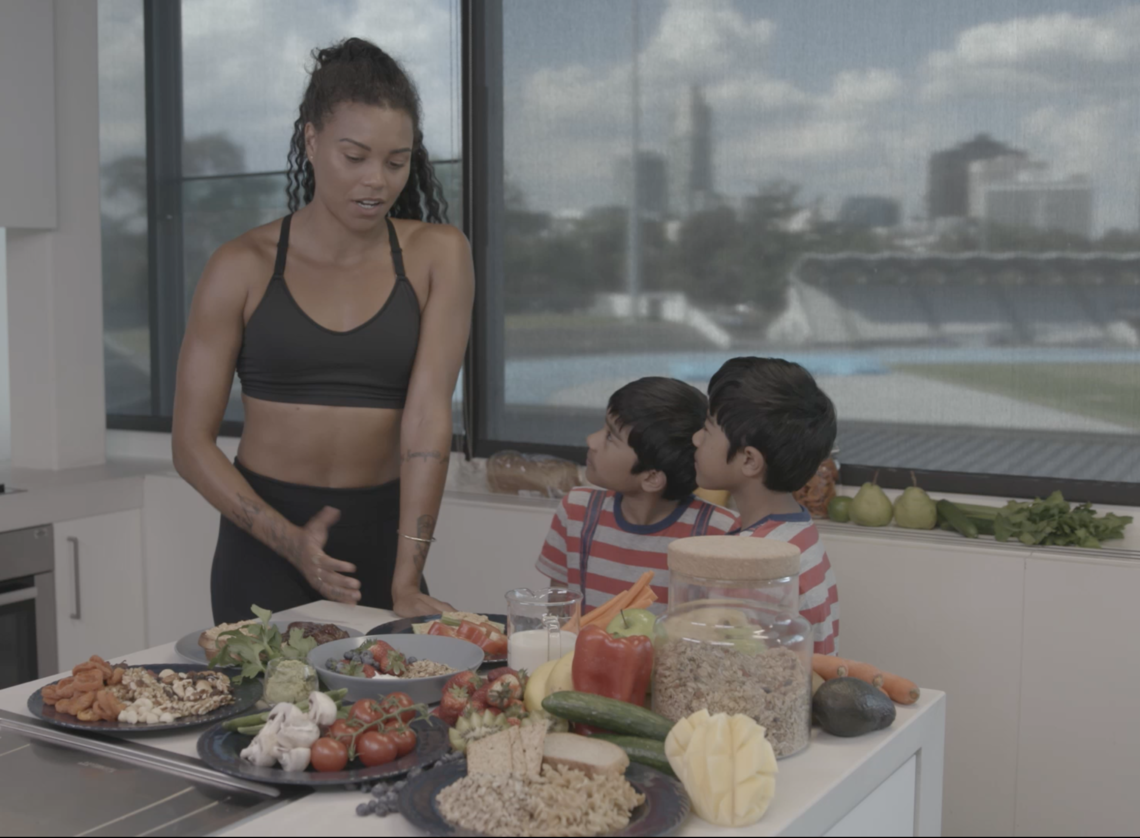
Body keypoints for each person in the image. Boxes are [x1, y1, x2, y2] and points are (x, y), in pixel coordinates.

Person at [172, 38, 472, 623]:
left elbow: (428, 419)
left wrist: (406, 578)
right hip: (263, 545)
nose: (377, 181)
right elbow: (190, 444)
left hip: (384, 545)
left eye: (396, 162)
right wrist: (289, 541)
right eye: (354, 157)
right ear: (311, 141)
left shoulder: (440, 255)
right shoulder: (241, 265)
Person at [536, 377, 739, 614]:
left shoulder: (720, 533)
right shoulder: (576, 512)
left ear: (651, 478)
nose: (591, 440)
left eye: (610, 437)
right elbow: (558, 616)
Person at [692, 357, 840, 654]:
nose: (695, 439)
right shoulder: (797, 529)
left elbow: (727, 665)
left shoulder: (751, 565)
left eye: (707, 429)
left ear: (749, 460)